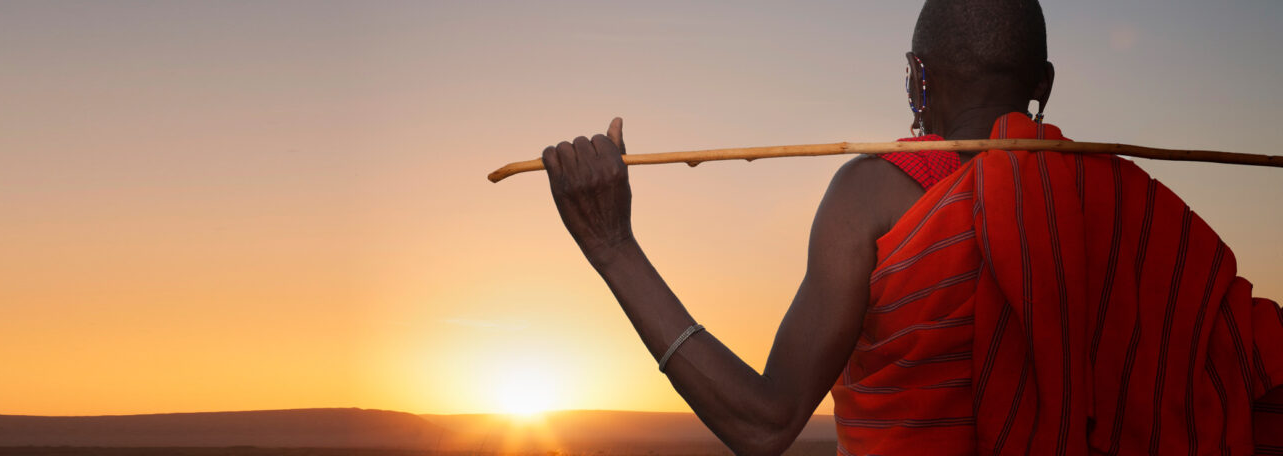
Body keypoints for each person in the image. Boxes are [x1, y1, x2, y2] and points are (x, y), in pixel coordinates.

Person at [538, 0, 1283, 455]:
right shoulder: (1121, 204)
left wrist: (612, 247)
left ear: (914, 77)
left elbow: (763, 427)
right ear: (1044, 84)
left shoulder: (871, 196)